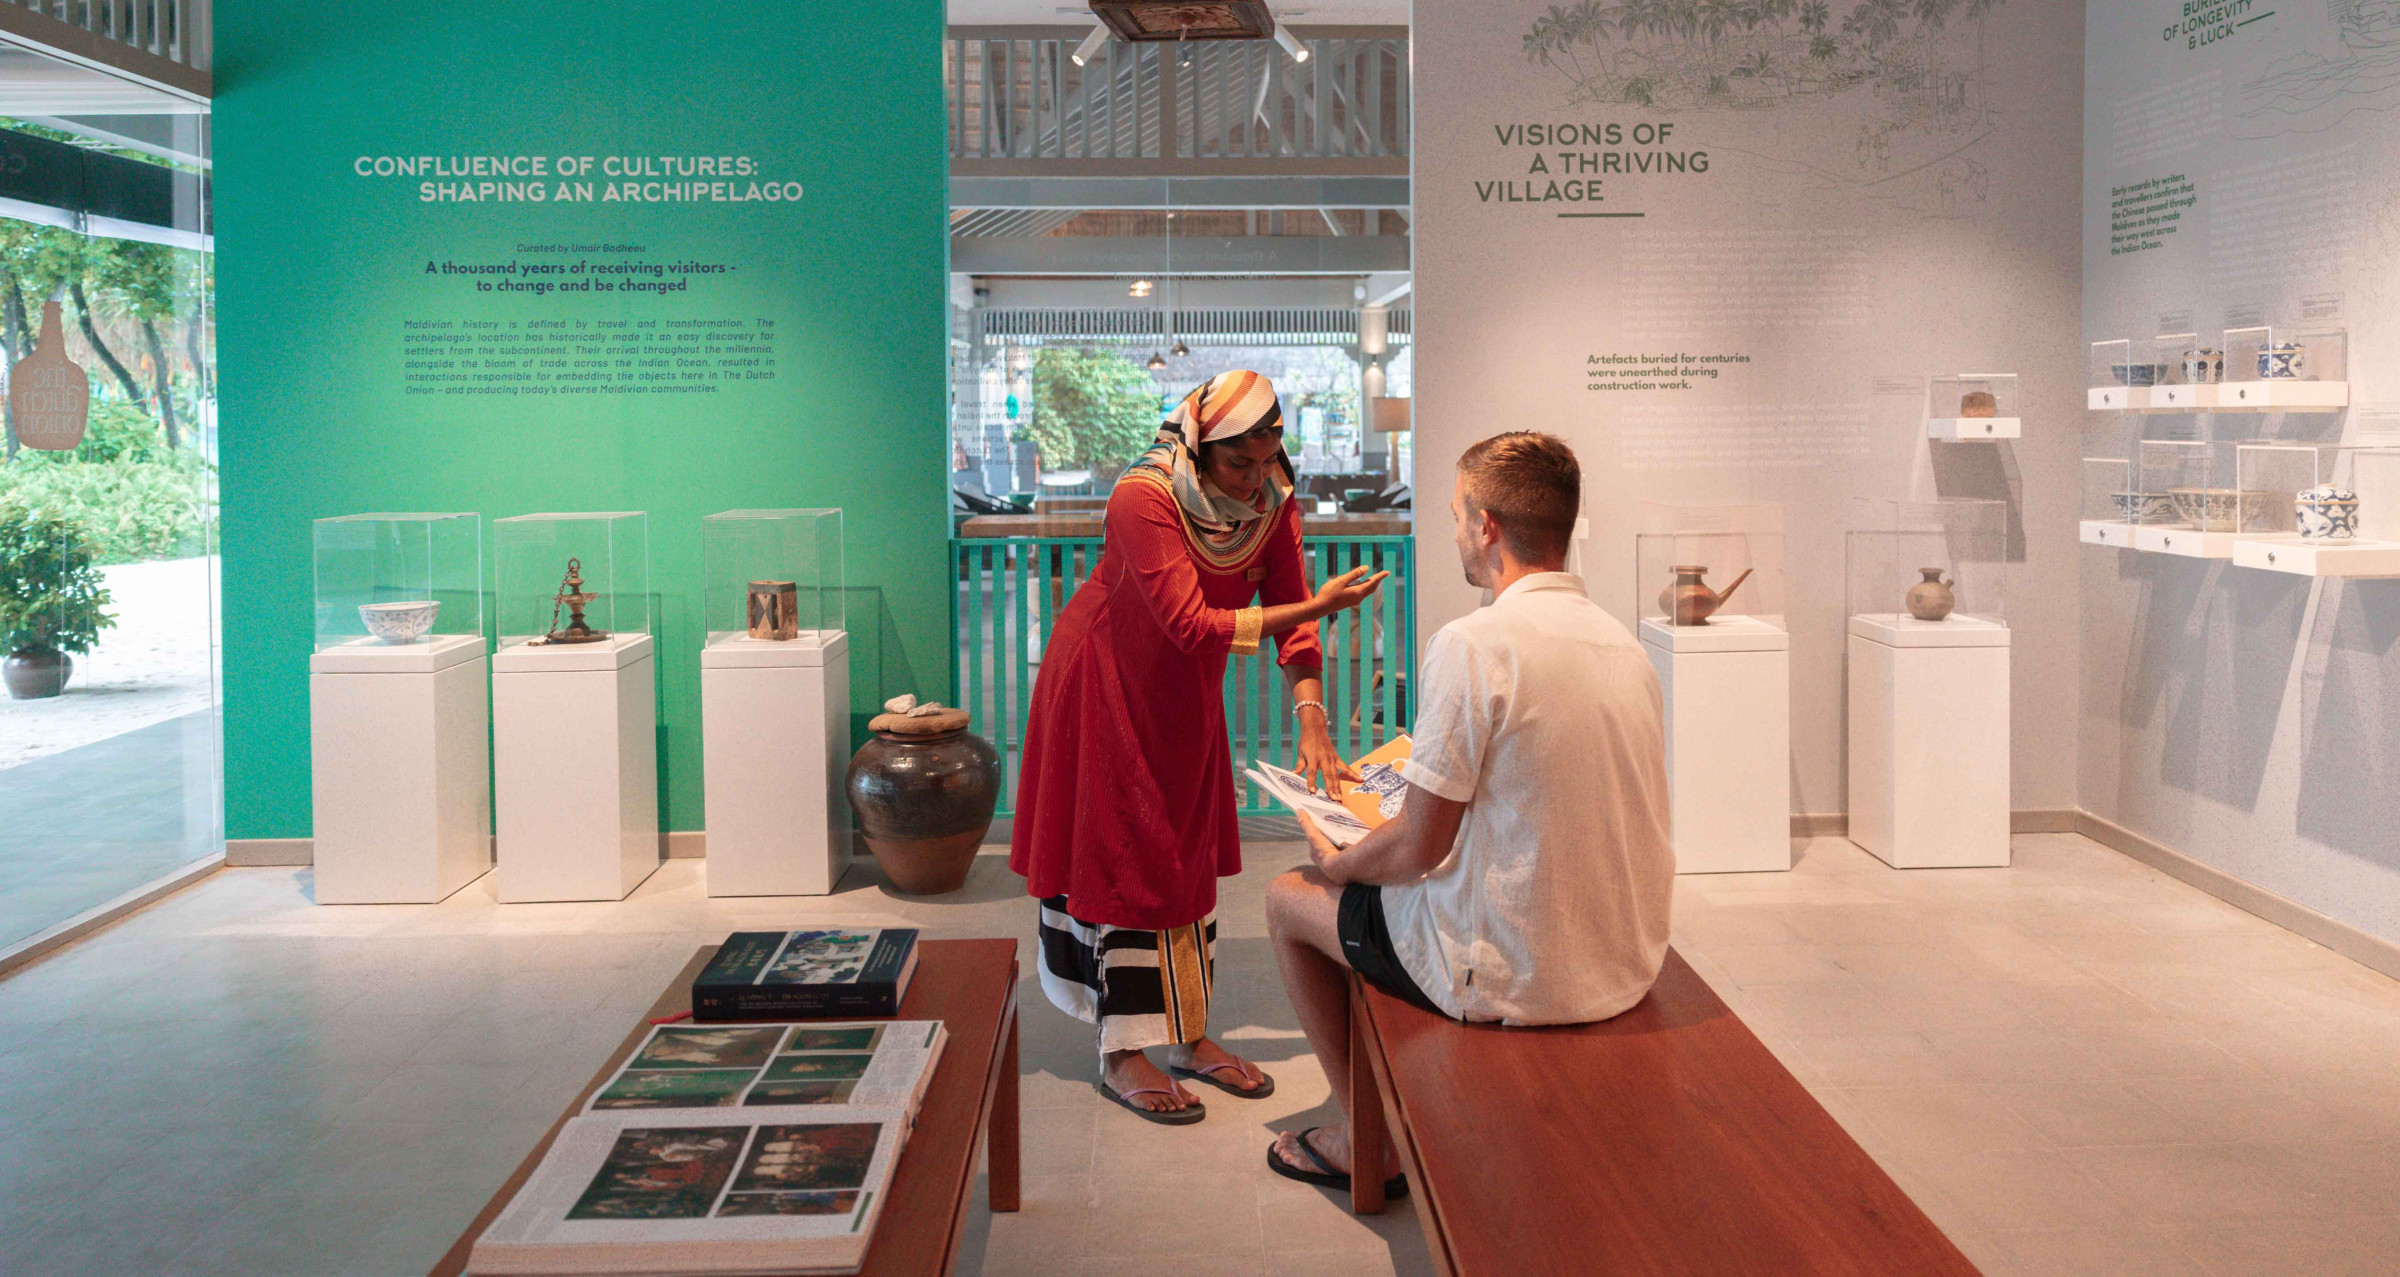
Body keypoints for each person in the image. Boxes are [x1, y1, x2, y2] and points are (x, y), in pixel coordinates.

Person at [1259, 431, 1674, 1194]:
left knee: (1290, 898)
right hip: (1626, 953)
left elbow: (1419, 846)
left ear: (1486, 525)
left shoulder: (1474, 643)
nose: (1453, 527)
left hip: (1520, 972)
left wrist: (1336, 860)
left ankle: (1363, 1140)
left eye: (1455, 512)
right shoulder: (1624, 643)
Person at [1011, 370, 1389, 1124]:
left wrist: (1310, 711)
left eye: (1268, 459)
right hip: (1105, 680)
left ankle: (1184, 1032)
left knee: (1181, 852)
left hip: (1184, 690)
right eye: (1238, 466)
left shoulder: (1273, 499)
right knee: (1123, 853)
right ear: (1200, 448)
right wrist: (1319, 602)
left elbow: (1288, 615)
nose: (1256, 483)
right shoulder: (1143, 497)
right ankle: (1121, 1049)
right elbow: (1187, 621)